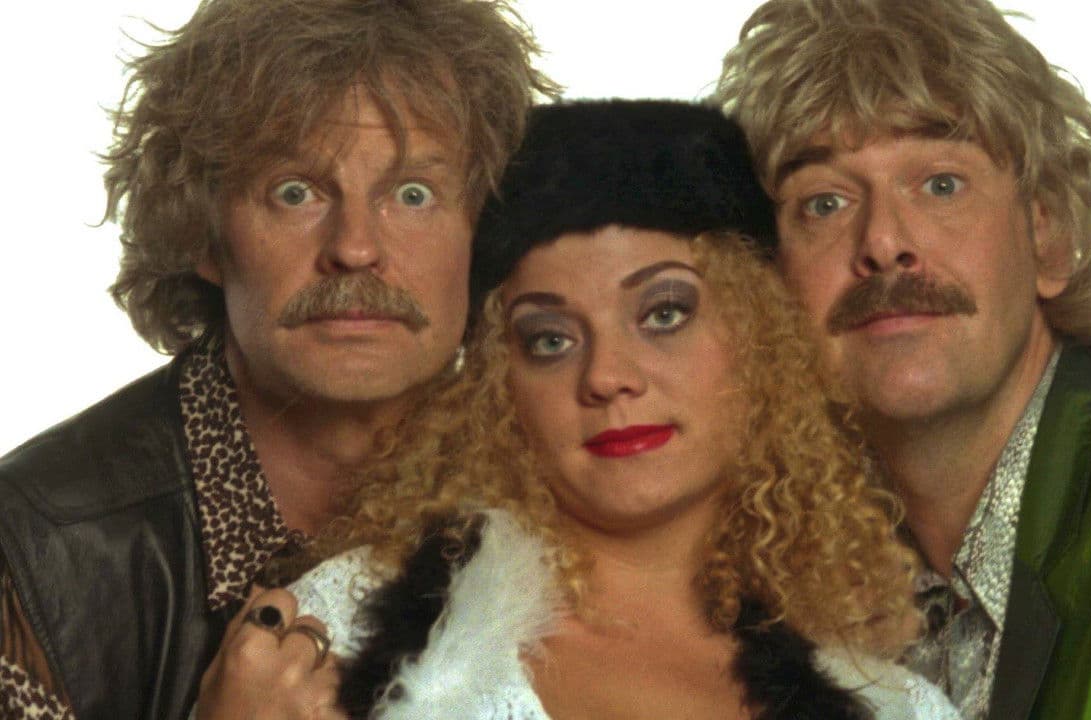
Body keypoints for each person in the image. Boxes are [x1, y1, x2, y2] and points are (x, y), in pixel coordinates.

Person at [219, 100, 962, 719]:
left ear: (761, 339)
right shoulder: (346, 630)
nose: (606, 377)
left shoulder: (895, 707)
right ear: (498, 386)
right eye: (550, 339)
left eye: (664, 314)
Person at [712, 1, 1091, 718]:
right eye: (825, 203)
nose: (883, 241)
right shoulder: (759, 576)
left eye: (941, 184)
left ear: (1048, 236)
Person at [0, 1, 555, 717]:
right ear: (204, 232)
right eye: (296, 192)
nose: (355, 247)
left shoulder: (563, 481)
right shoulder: (35, 550)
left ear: (486, 235)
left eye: (413, 194)